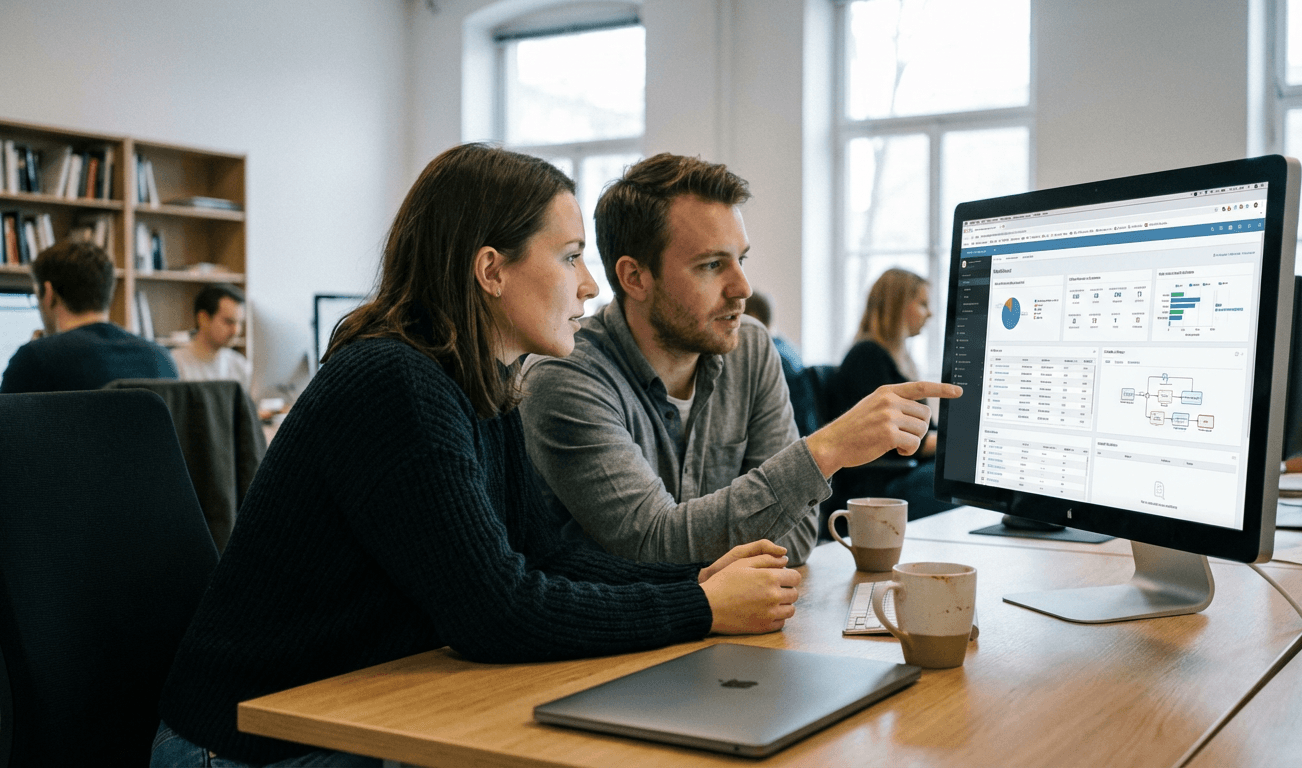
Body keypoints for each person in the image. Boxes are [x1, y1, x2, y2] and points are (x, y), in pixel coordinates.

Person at [153, 145, 801, 768]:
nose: (589, 285)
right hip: (252, 747)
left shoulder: (484, 386)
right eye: (571, 256)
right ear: (490, 270)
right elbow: (495, 612)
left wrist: (701, 579)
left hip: (359, 717)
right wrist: (702, 607)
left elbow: (548, 555)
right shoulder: (395, 382)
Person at [520, 153, 961, 567]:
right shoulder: (566, 374)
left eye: (741, 259)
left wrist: (707, 539)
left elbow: (797, 537)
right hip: (618, 645)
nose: (743, 288)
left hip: (739, 623)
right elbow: (650, 544)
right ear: (634, 277)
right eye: (712, 265)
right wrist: (825, 450)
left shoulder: (749, 347)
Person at [831, 268, 958, 520]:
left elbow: (927, 432)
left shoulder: (903, 361)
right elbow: (901, 441)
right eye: (922, 304)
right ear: (898, 305)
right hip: (882, 483)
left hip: (906, 473)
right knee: (958, 476)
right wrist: (958, 442)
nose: (930, 313)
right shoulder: (866, 357)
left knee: (959, 473)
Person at [0, 240, 175, 393]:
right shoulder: (162, 359)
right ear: (108, 292)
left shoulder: (34, 360)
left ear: (48, 293)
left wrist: (37, 350)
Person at [743, 291, 817, 436]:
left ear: (752, 318)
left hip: (789, 436)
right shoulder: (788, 349)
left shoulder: (766, 356)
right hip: (806, 432)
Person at [171, 283, 252, 393]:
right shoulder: (175, 363)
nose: (236, 331)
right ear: (203, 319)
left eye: (239, 323)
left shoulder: (240, 366)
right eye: (228, 322)